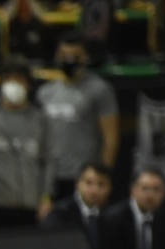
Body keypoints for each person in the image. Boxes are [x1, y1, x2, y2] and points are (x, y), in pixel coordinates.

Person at [0, 57, 54, 229]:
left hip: (28, 204)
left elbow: (48, 160)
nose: (14, 84)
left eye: (19, 79)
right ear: (0, 82)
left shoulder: (40, 119)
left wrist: (46, 196)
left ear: (28, 84)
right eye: (8, 79)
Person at [38, 32, 118, 202]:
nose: (69, 60)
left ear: (85, 57)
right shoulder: (45, 92)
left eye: (75, 56)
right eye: (64, 55)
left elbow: (110, 138)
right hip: (51, 176)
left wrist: (102, 177)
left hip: (84, 177)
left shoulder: (99, 90)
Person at [42, 161, 111, 249]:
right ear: (78, 184)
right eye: (88, 183)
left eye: (101, 184)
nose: (94, 190)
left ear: (110, 188)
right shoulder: (60, 213)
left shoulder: (110, 218)